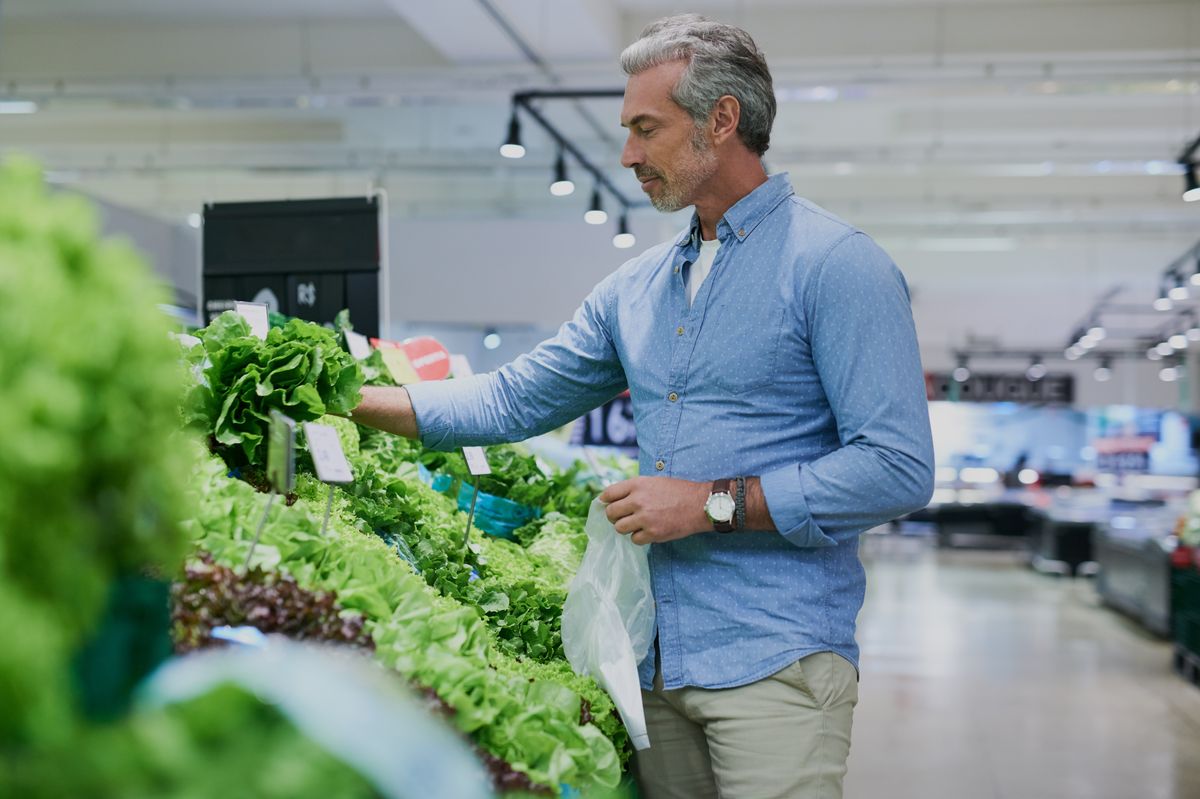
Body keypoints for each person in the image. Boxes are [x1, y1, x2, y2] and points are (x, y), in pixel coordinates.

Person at [350, 13, 934, 799]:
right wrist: (342, 396)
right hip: (654, 665)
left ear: (722, 119)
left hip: (777, 664)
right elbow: (515, 397)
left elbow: (896, 468)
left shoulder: (839, 267)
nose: (627, 155)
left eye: (645, 129)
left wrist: (709, 504)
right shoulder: (636, 289)